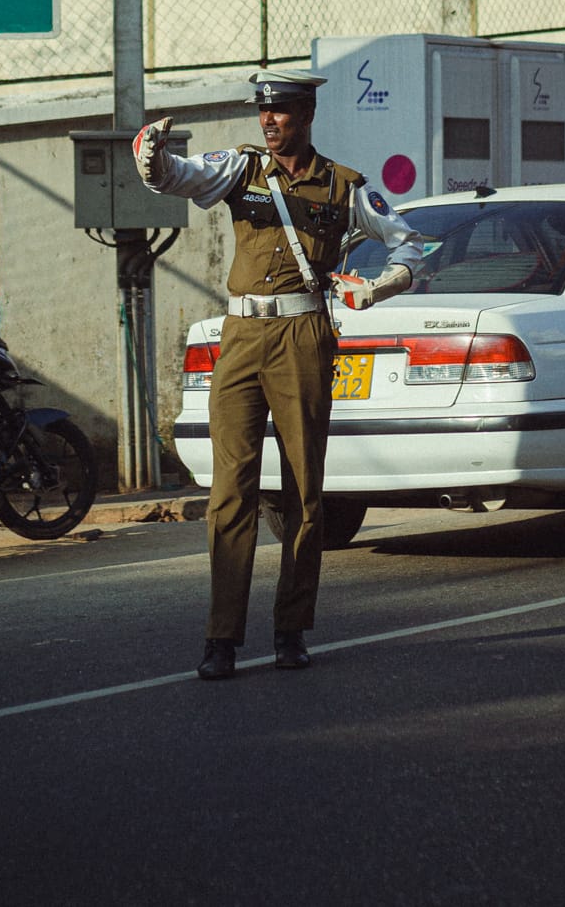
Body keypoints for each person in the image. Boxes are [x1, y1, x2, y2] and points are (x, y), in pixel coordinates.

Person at [133, 69, 423, 681]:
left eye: (281, 112)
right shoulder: (241, 168)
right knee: (229, 490)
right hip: (240, 337)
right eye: (264, 112)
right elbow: (180, 178)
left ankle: (291, 628)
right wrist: (152, 159)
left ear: (305, 115)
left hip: (303, 336)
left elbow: (408, 246)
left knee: (302, 490)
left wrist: (376, 288)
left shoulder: (344, 186)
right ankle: (222, 637)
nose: (269, 122)